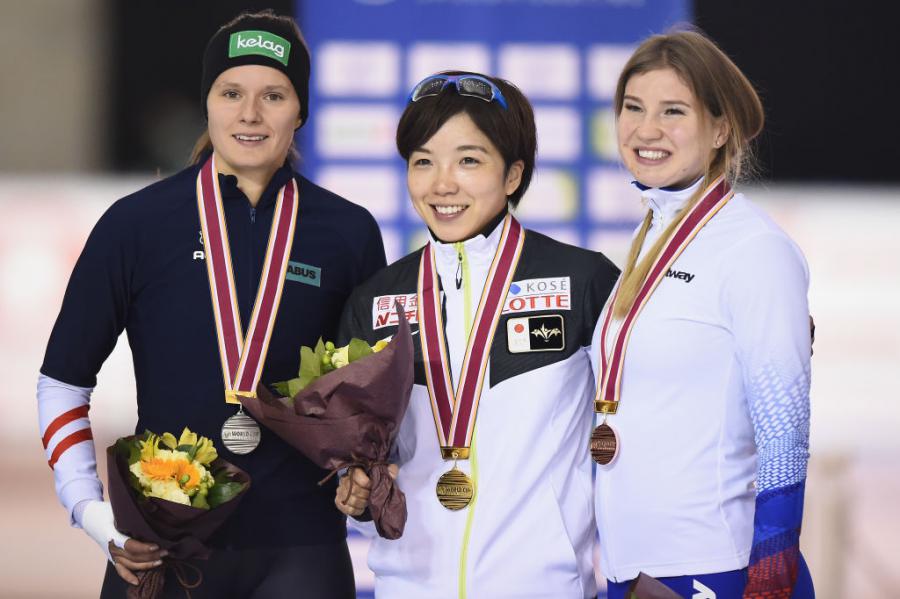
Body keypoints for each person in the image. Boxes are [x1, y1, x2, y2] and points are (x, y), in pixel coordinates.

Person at [37, 10, 385, 598]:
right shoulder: (137, 225)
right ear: (208, 102)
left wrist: (363, 471)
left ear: (300, 110)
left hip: (302, 551)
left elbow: (369, 394)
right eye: (231, 93)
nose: (250, 114)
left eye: (273, 95)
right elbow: (61, 384)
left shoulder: (347, 232)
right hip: (162, 551)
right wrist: (96, 518)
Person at [333, 71, 619, 598]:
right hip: (407, 587)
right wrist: (357, 489)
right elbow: (365, 456)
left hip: (544, 586)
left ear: (512, 174)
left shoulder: (585, 280)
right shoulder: (375, 300)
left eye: (468, 160)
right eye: (423, 161)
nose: (442, 184)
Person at [589, 29, 815, 598]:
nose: (646, 130)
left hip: (714, 569)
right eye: (633, 108)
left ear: (719, 129)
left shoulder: (753, 249)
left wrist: (769, 581)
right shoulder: (649, 240)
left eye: (673, 112)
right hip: (632, 569)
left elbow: (785, 432)